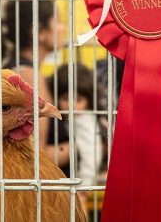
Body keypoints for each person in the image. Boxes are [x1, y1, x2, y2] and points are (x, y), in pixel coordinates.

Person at [0, 0, 68, 167]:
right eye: (58, 21)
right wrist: (80, 148)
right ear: (38, 32)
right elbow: (36, 155)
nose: (63, 28)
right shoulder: (27, 75)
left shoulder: (14, 67)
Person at [47, 63, 103, 215]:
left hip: (78, 183)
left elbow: (91, 153)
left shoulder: (84, 119)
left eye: (78, 100)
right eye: (65, 98)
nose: (71, 105)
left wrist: (83, 186)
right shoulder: (63, 119)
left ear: (88, 100)